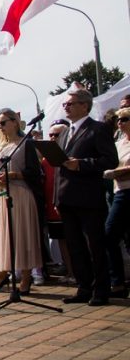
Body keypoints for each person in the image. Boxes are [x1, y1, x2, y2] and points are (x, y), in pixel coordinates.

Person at [56, 89, 119, 305]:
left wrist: (82, 164)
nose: (66, 107)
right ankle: (84, 287)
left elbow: (110, 161)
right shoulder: (65, 133)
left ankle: (101, 290)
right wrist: (57, 198)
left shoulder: (98, 129)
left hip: (89, 198)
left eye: (70, 104)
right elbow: (59, 168)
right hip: (66, 198)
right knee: (75, 246)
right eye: (65, 104)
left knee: (95, 245)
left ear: (84, 105)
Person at [0, 109, 43, 295]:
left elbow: (35, 173)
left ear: (15, 122)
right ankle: (1, 273)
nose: (0, 127)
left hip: (22, 194)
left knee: (23, 236)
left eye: (3, 123)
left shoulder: (26, 143)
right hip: (4, 196)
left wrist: (13, 175)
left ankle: (26, 277)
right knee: (5, 237)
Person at [104, 107, 130, 298]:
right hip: (119, 192)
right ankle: (118, 283)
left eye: (125, 119)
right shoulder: (118, 143)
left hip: (127, 190)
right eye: (118, 119)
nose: (120, 123)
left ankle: (118, 282)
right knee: (110, 235)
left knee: (113, 234)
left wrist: (116, 172)